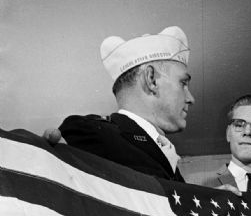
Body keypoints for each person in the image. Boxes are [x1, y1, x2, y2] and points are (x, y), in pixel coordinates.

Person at [54, 26, 194, 181]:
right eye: (183, 83)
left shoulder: (165, 157)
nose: (190, 98)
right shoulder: (91, 133)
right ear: (151, 79)